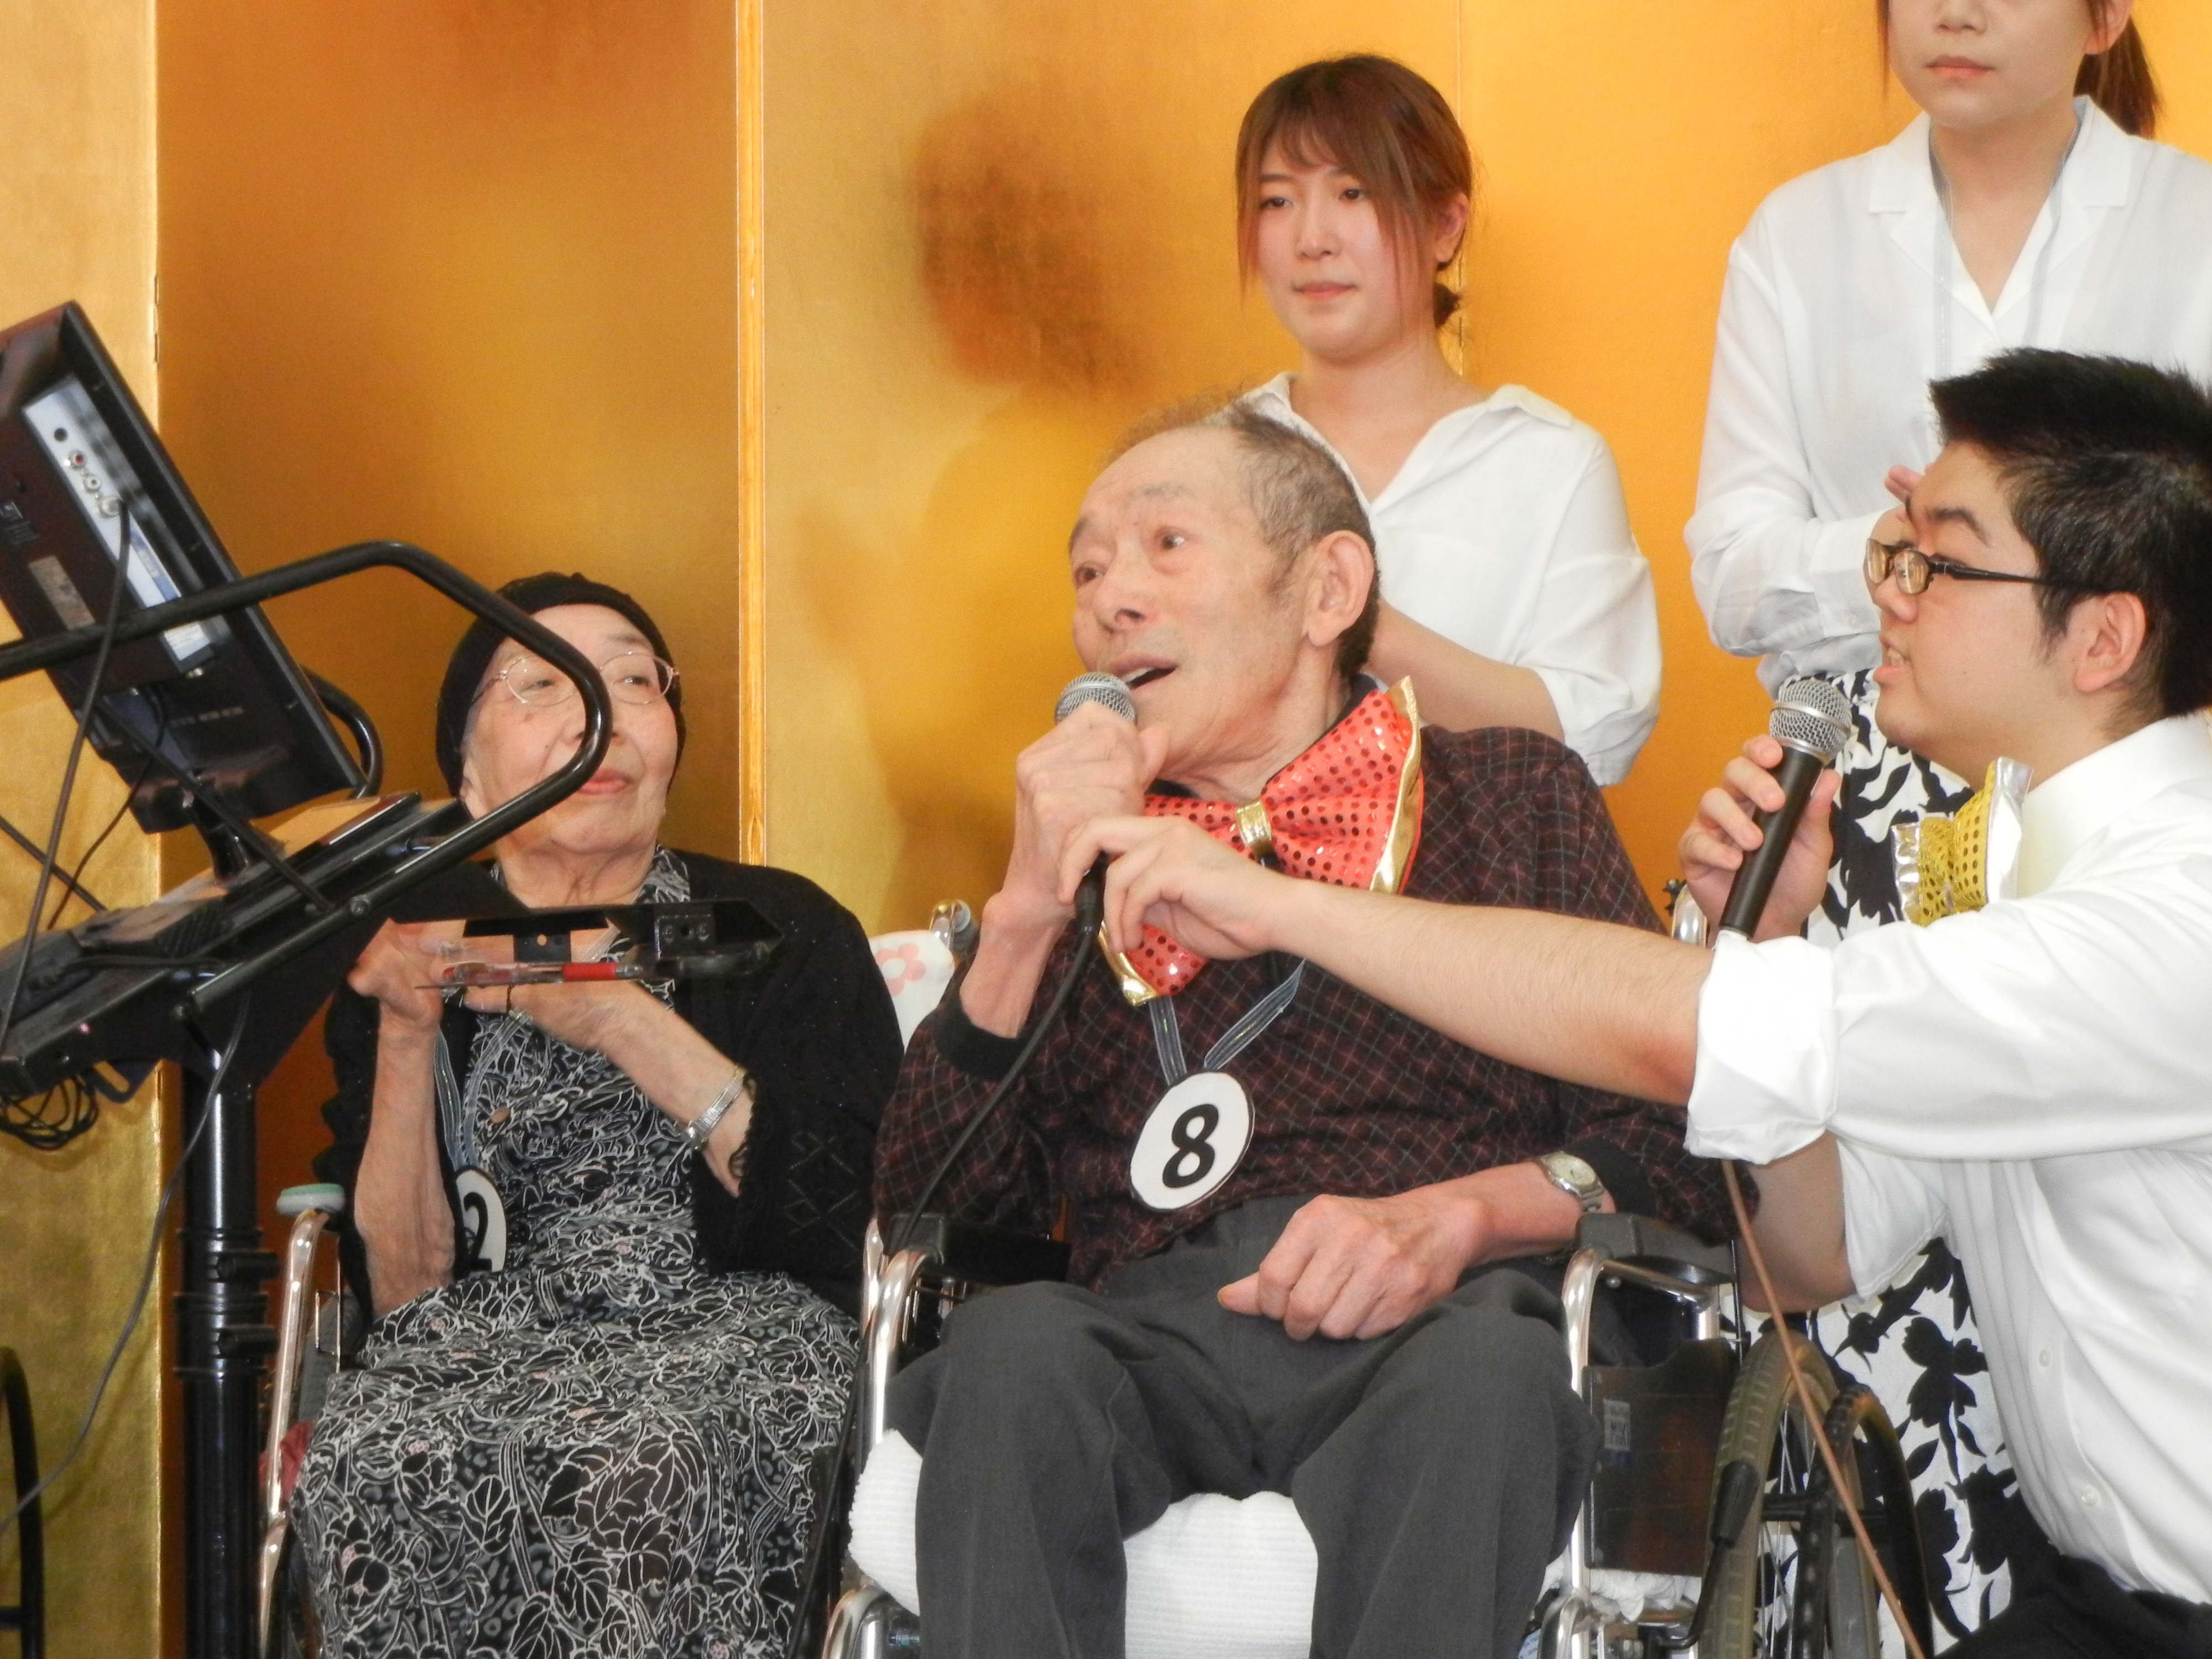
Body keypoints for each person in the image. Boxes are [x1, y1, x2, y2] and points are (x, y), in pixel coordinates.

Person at [1072, 350, 2212, 1658]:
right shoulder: (2020, 899)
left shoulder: (2168, 914)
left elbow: (1675, 1028)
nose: (1884, 594)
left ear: (2101, 638)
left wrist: (1285, 908)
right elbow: (1812, 1249)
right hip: (2107, 1604)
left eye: (1936, 562)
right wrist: (1764, 942)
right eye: (1891, 551)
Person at [869, 403, 1726, 1659]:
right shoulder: (1082, 867)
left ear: (1328, 588)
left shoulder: (1509, 793)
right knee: (1009, 1352)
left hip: (1436, 1311)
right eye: (1088, 570)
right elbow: (928, 1216)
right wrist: (1023, 909)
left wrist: (1459, 1219)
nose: (1110, 599)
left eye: (1166, 544)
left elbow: (1677, 1145)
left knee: (1484, 1379)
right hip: (1148, 1326)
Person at [1684, 3, 2212, 1619]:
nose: (1956, 7)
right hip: (1889, 774)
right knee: (1910, 1237)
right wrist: (1921, 563)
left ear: (2107, 16)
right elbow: (1728, 566)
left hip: (2120, 755)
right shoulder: (1797, 233)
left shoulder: (2192, 219)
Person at [293, 573, 902, 1658]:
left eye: (632, 681)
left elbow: (850, 1222)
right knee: (372, 1438)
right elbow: (406, 1296)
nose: (598, 718)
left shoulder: (780, 927)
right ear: (467, 773)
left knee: (637, 1452)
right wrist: (405, 1032)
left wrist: (621, 1019)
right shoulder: (410, 954)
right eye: (542, 686)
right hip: (485, 1344)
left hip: (734, 1330)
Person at [1235, 55, 1661, 786]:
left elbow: (1595, 736)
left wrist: (1360, 621)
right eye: (1277, 201)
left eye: (1353, 192)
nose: (1312, 239)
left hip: (1483, 862)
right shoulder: (1211, 458)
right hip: (1225, 859)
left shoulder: (1552, 462)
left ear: (1444, 225)